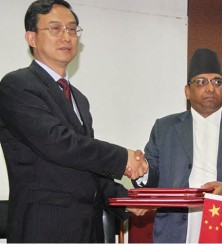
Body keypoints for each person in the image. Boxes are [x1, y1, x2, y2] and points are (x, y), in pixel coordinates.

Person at [0, 0, 148, 242]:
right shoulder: (17, 86)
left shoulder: (79, 99)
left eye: (72, 29)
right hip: (43, 228)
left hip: (87, 230)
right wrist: (123, 157)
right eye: (55, 29)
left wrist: (125, 199)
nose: (66, 37)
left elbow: (85, 165)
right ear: (32, 38)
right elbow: (59, 144)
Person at [132, 48, 222, 243]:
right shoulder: (164, 128)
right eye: (201, 82)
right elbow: (152, 177)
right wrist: (143, 170)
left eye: (217, 82)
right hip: (176, 232)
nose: (210, 88)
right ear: (187, 91)